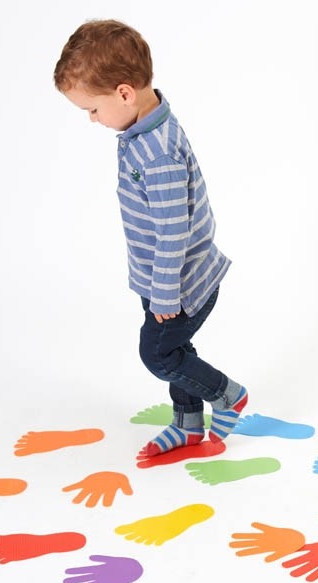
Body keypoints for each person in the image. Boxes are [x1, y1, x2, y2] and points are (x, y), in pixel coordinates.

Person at [53, 19, 247, 456]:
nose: (92, 120)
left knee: (158, 355)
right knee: (177, 349)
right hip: (159, 277)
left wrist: (163, 294)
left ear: (124, 93)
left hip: (178, 284)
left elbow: (174, 229)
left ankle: (228, 395)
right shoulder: (145, 127)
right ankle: (188, 423)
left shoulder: (157, 152)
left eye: (93, 109)